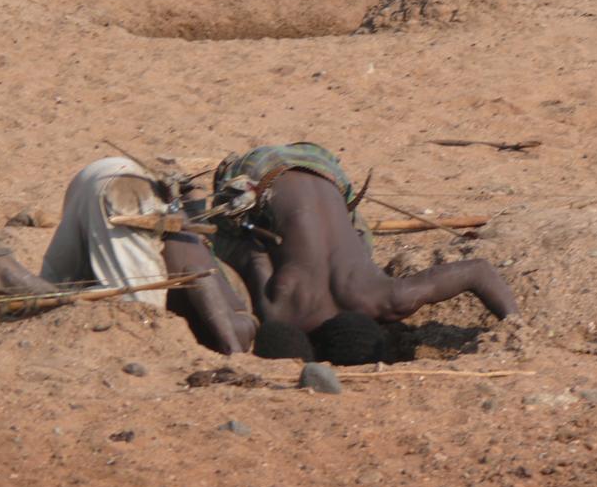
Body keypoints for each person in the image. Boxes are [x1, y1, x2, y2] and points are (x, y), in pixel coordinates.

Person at [0, 155, 257, 355]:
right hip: (127, 192)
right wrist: (238, 351)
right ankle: (2, 271)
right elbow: (205, 287)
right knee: (137, 324)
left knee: (52, 304)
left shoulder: (185, 266)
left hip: (103, 179)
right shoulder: (236, 300)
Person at [209, 142, 519, 365]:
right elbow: (253, 256)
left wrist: (515, 323)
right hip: (253, 180)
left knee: (356, 243)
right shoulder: (280, 312)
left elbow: (479, 270)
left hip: (325, 169)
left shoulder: (388, 299)